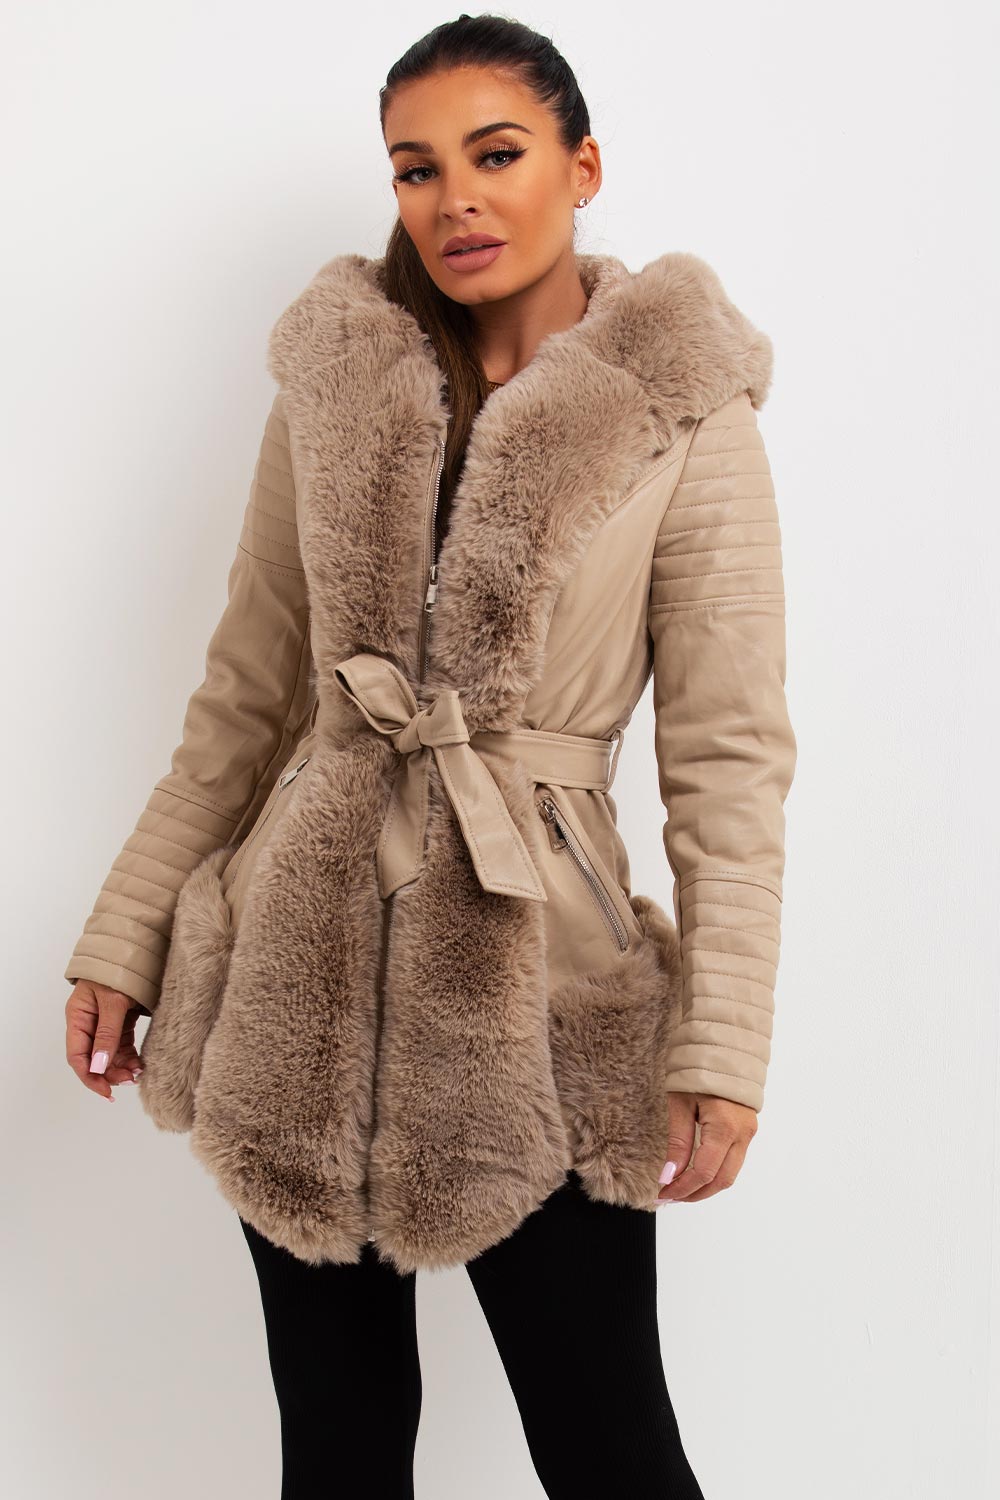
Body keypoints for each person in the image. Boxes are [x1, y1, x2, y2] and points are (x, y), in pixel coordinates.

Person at [63, 13, 796, 1497]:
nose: (455, 197)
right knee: (336, 1455)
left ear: (583, 167)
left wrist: (720, 1040)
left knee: (611, 1452)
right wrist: (128, 927)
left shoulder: (685, 419)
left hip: (544, 983)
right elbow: (245, 697)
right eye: (415, 168)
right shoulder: (337, 390)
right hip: (300, 972)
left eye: (496, 154)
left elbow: (730, 759)